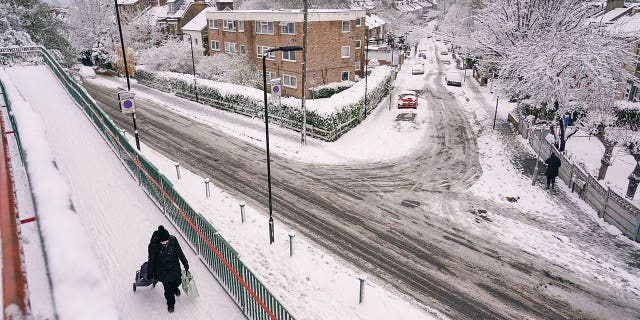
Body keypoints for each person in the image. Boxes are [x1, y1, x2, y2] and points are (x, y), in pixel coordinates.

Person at [147, 225, 189, 313]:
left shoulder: (173, 240)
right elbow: (151, 260)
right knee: (168, 289)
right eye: (163, 242)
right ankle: (170, 304)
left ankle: (174, 288)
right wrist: (150, 273)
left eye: (167, 241)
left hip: (174, 267)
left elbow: (179, 253)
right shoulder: (153, 246)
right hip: (162, 270)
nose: (166, 243)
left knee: (178, 281)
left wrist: (185, 263)